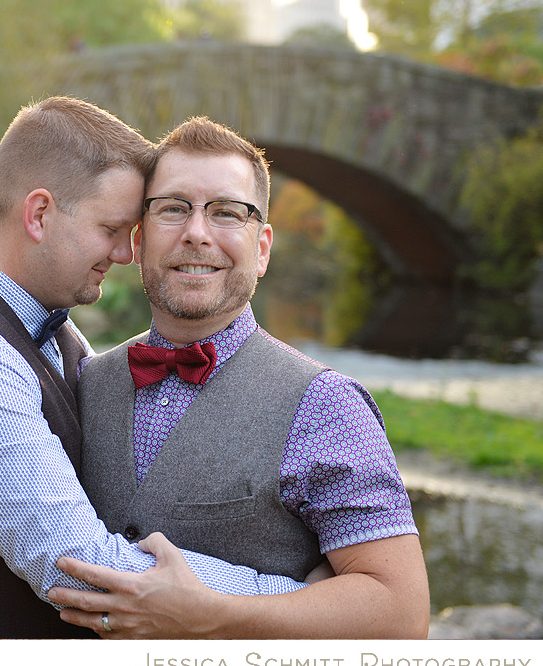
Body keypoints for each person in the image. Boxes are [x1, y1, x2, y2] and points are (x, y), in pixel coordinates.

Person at [0, 98, 316, 640]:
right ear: (39, 214)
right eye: (111, 228)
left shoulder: (55, 331)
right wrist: (300, 599)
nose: (126, 253)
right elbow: (83, 569)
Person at [47, 116, 430, 639]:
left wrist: (215, 616)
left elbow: (401, 615)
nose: (197, 233)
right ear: (137, 241)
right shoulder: (83, 381)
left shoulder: (326, 405)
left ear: (264, 247)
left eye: (227, 213)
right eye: (173, 209)